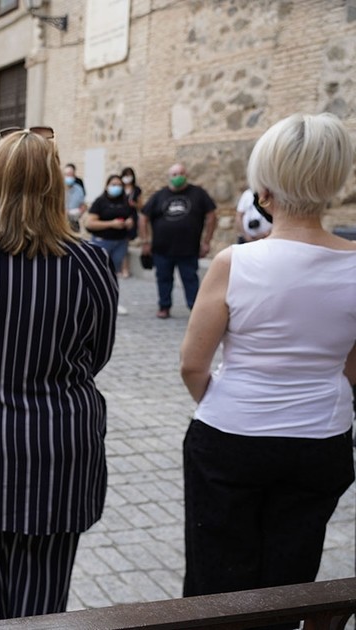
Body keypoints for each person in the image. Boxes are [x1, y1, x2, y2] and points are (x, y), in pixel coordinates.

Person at [0, 127, 117, 620]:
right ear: (57, 186)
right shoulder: (91, 263)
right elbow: (98, 354)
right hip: (59, 440)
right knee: (45, 594)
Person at [179, 113, 356, 620]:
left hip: (231, 435)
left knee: (216, 585)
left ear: (265, 187)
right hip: (321, 437)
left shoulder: (236, 263)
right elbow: (352, 363)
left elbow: (193, 365)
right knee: (291, 578)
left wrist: (225, 402)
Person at [139, 163, 217, 319]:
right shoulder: (159, 195)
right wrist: (145, 241)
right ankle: (164, 306)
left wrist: (207, 241)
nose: (177, 177)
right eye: (174, 174)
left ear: (186, 175)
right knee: (163, 279)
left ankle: (195, 308)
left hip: (188, 248)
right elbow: (143, 217)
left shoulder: (198, 193)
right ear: (169, 177)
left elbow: (211, 216)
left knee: (190, 279)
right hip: (162, 248)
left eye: (180, 173)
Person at [86, 174, 137, 315]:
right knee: (98, 273)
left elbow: (132, 217)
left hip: (120, 242)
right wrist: (112, 224)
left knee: (113, 274)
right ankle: (93, 302)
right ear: (107, 186)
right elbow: (90, 223)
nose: (116, 187)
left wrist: (128, 223)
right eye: (113, 184)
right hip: (102, 241)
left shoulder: (126, 202)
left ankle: (112, 302)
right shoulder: (100, 202)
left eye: (119, 185)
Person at [119, 166, 142, 278]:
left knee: (125, 242)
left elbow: (141, 205)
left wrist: (135, 204)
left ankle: (125, 268)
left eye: (129, 175)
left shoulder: (136, 190)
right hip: (119, 217)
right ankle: (123, 268)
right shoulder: (119, 188)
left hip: (131, 217)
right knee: (121, 242)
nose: (127, 178)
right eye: (125, 175)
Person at [63, 163, 87, 232]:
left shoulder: (78, 189)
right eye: (67, 175)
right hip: (60, 223)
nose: (69, 177)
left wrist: (80, 211)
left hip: (74, 223)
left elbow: (83, 204)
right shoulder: (57, 189)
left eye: (72, 175)